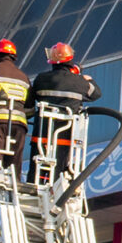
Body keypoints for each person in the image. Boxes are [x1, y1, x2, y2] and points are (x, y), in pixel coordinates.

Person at [29, 42, 101, 179]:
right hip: (65, 137)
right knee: (58, 175)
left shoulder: (41, 79)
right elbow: (96, 93)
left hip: (41, 135)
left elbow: (34, 97)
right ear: (70, 60)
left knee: (36, 174)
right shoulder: (79, 82)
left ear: (52, 61)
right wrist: (88, 79)